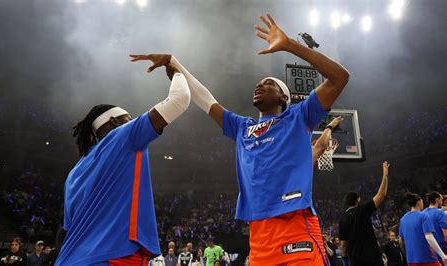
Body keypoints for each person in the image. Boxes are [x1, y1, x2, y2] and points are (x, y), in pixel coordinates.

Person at [131, 12, 350, 265]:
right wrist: (173, 61)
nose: (259, 85)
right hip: (258, 237)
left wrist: (291, 45)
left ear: (283, 98)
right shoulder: (242, 127)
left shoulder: (298, 116)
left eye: (268, 83)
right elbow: (205, 99)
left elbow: (340, 77)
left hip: (295, 228)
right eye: (258, 82)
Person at [56, 62, 191, 265]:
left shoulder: (74, 172)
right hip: (112, 256)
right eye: (128, 117)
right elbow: (180, 99)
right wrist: (177, 73)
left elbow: (64, 231)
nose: (133, 120)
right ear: (115, 121)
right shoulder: (122, 136)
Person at [339, 161, 390, 266]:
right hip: (372, 259)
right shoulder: (362, 210)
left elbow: (343, 245)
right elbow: (381, 194)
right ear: (358, 200)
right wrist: (385, 175)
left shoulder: (342, 219)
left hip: (356, 262)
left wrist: (345, 260)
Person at [399, 192, 447, 265]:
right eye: (422, 201)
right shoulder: (423, 216)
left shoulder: (403, 219)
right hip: (427, 258)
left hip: (411, 261)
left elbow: (401, 241)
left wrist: (408, 255)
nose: (423, 203)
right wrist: (443, 255)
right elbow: (429, 237)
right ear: (418, 202)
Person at [423, 191, 447, 258]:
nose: (442, 201)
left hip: (429, 249)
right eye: (441, 199)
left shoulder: (422, 213)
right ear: (437, 200)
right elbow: (445, 234)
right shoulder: (440, 213)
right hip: (442, 247)